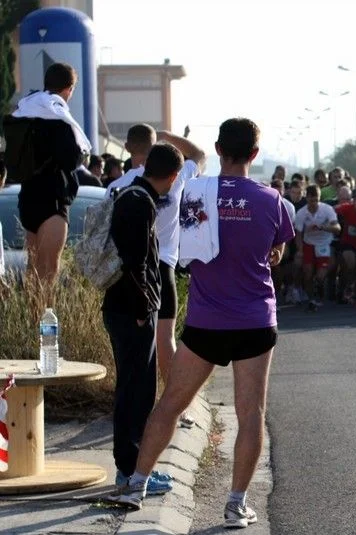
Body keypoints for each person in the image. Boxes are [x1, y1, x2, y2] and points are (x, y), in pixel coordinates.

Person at [106, 118, 295, 530]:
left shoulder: (194, 191)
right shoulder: (271, 199)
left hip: (206, 322)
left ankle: (136, 484)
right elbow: (275, 249)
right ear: (255, 154)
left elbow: (190, 253)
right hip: (254, 320)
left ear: (219, 147)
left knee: (171, 403)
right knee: (251, 413)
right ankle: (235, 504)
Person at [102, 143, 184, 499]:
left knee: (135, 390)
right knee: (136, 392)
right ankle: (131, 471)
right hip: (131, 311)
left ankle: (134, 467)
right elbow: (137, 265)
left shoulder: (132, 194)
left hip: (124, 308)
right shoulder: (139, 202)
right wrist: (142, 311)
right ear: (173, 176)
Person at [107, 125, 205, 403]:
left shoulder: (117, 186)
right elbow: (199, 154)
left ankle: (131, 400)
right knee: (165, 340)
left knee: (129, 345)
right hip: (162, 267)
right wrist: (168, 135)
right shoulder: (176, 177)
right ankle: (174, 405)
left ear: (128, 149)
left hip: (124, 270)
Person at [12, 63, 89, 292]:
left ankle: (33, 323)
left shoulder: (27, 111)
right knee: (49, 272)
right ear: (69, 88)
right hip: (53, 201)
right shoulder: (58, 115)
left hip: (28, 198)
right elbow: (71, 157)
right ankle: (45, 327)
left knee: (33, 268)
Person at [294, 185, 340, 309]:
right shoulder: (301, 213)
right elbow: (298, 234)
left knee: (320, 276)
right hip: (308, 243)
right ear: (307, 198)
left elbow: (337, 228)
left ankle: (320, 291)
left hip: (324, 244)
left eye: (316, 200)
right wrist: (300, 250)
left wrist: (323, 227)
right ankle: (311, 299)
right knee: (307, 273)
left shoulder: (327, 209)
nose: (314, 203)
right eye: (311, 200)